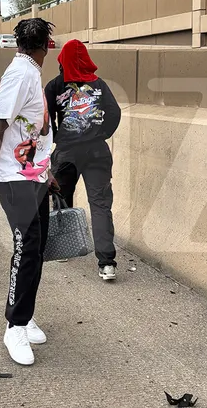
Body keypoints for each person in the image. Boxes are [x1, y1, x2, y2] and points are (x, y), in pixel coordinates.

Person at [0, 18, 57, 366]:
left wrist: (45, 173)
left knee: (37, 246)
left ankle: (26, 313)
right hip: (13, 177)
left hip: (32, 174)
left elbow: (30, 130)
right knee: (27, 246)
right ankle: (14, 326)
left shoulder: (30, 72)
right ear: (45, 46)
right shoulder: (21, 75)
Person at [44, 39, 121, 281]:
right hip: (97, 151)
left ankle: (64, 246)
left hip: (67, 152)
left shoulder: (55, 86)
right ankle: (107, 263)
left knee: (61, 196)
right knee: (100, 205)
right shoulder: (99, 85)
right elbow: (114, 113)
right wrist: (102, 134)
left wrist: (58, 138)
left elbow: (45, 119)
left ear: (62, 61)